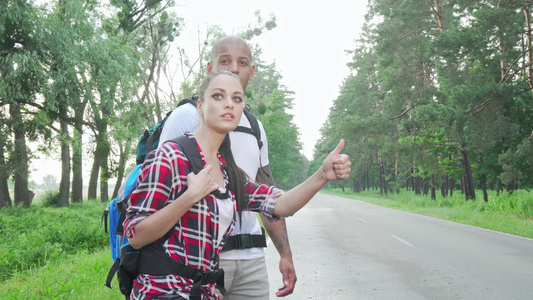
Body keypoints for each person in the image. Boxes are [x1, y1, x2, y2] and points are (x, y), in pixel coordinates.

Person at [124, 70, 351, 300]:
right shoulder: (171, 156)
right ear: (200, 106)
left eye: (236, 98)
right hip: (164, 291)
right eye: (218, 96)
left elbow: (280, 205)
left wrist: (322, 175)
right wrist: (189, 197)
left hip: (203, 293)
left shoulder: (227, 171)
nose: (229, 105)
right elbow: (135, 234)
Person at [159, 35, 295, 299]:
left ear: (252, 72)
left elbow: (267, 194)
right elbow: (158, 192)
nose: (234, 68)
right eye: (225, 61)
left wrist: (286, 254)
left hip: (251, 260)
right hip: (197, 263)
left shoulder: (255, 126)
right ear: (210, 68)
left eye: (242, 62)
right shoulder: (184, 117)